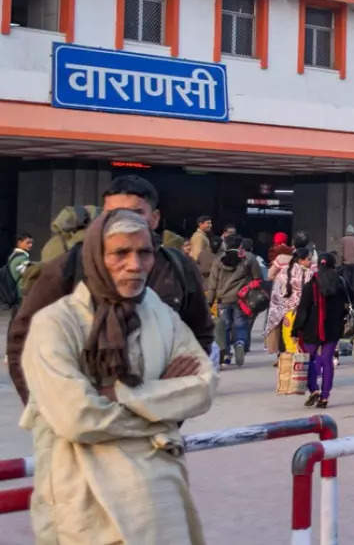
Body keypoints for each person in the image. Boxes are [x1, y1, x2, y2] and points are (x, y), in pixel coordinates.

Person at [20, 209, 216, 543]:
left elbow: (203, 387)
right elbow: (77, 418)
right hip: (86, 502)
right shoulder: (55, 324)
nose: (135, 265)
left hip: (161, 500)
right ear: (96, 257)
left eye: (144, 252)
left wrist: (122, 395)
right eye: (120, 253)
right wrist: (160, 418)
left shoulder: (160, 315)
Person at [8, 175, 213, 405]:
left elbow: (200, 334)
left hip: (158, 420)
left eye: (136, 213)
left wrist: (169, 398)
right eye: (112, 213)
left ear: (155, 218)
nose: (123, 221)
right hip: (82, 415)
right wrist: (44, 407)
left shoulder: (176, 268)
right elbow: (22, 341)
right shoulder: (69, 266)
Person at [294, 253, 352, 409]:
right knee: (327, 361)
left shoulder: (311, 284)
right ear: (333, 265)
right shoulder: (341, 282)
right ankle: (325, 397)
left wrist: (296, 330)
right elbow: (352, 301)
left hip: (311, 329)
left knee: (308, 359)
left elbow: (303, 310)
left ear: (319, 265)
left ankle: (314, 389)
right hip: (333, 328)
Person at [206, 237, 261, 367]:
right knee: (241, 324)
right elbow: (257, 278)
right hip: (241, 299)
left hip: (223, 299)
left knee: (224, 326)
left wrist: (209, 302)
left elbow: (212, 284)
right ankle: (240, 343)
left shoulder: (218, 260)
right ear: (241, 245)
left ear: (225, 245)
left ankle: (226, 354)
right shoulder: (249, 258)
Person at [264, 246, 312, 356]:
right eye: (308, 259)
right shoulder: (309, 273)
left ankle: (289, 362)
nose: (310, 262)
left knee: (288, 340)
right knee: (302, 341)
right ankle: (300, 362)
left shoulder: (283, 272)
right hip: (304, 312)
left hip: (287, 313)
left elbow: (277, 294)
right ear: (301, 260)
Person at [186, 215, 215, 282]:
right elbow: (196, 256)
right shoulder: (199, 237)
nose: (210, 225)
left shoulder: (202, 236)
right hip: (200, 273)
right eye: (208, 223)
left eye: (210, 223)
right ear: (200, 224)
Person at [7, 232, 33, 296]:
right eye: (28, 243)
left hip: (12, 290)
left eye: (31, 243)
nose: (30, 245)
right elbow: (27, 274)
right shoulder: (22, 258)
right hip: (20, 292)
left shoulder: (12, 255)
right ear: (19, 243)